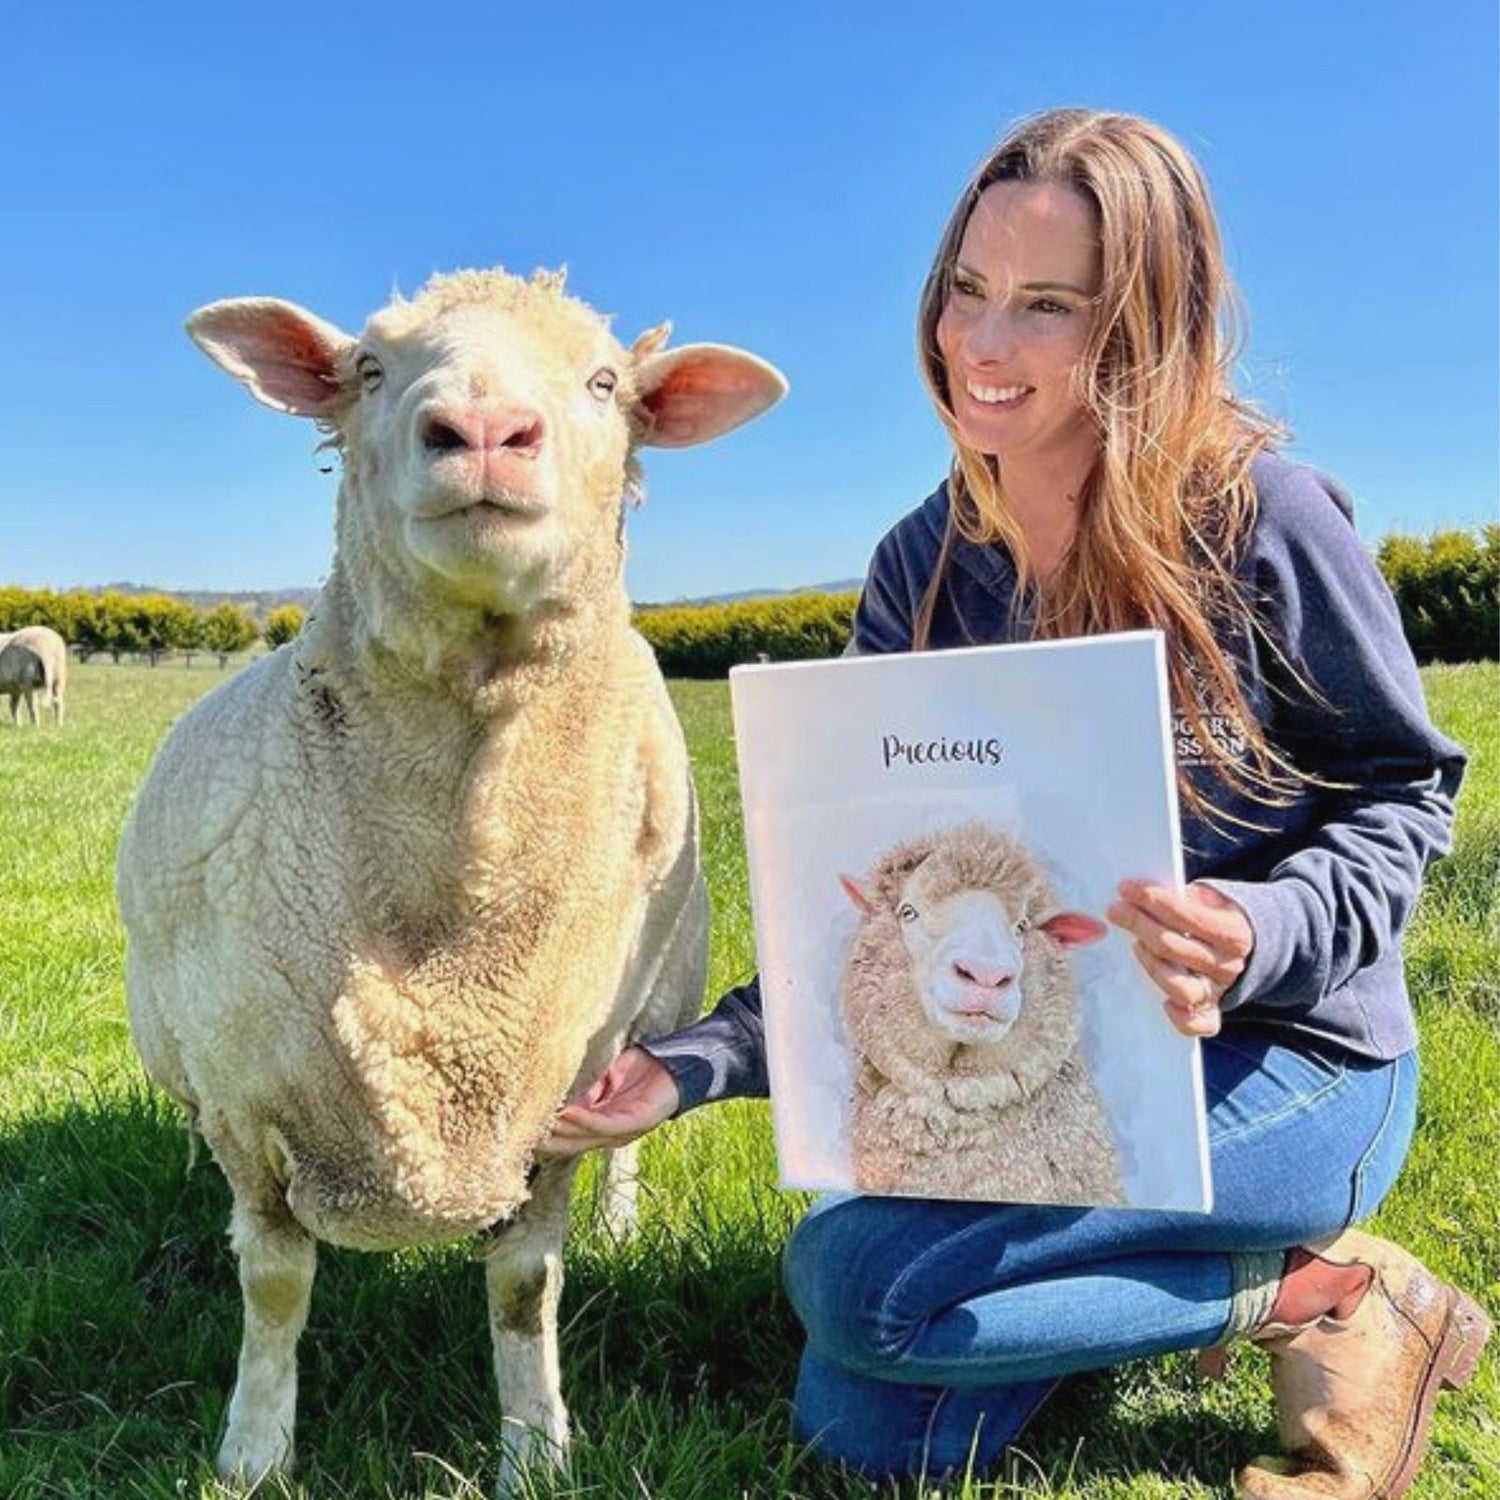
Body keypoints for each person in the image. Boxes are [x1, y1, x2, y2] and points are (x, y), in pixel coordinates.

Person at [540, 108, 1490, 1498]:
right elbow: (862, 887)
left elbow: (1404, 788)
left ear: (1141, 327)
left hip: (1290, 1063)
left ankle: (1327, 1294)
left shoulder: (1265, 524)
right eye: (966, 290)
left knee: (857, 1282)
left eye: (1047, 305)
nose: (980, 346)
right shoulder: (919, 567)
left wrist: (1261, 928)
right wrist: (699, 1063)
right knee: (872, 1437)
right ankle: (1114, 1279)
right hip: (1043, 1057)